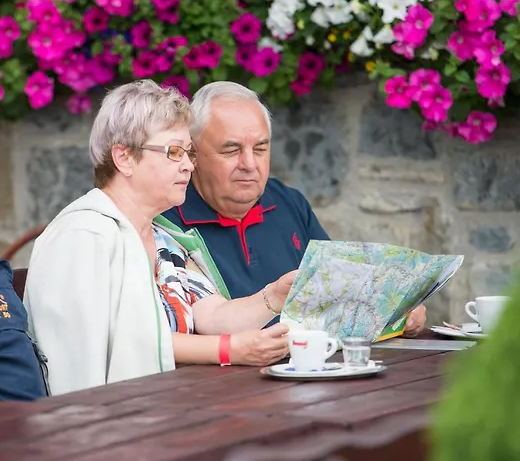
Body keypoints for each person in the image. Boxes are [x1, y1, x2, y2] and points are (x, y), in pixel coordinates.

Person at [23, 80, 299, 396]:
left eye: (189, 153)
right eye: (174, 152)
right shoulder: (82, 236)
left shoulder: (164, 238)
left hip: (169, 406)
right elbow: (110, 342)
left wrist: (273, 297)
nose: (188, 165)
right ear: (124, 158)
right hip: (108, 415)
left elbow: (213, 316)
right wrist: (227, 349)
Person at [161, 81, 427, 336]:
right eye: (231, 151)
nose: (249, 164)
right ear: (192, 154)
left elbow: (342, 291)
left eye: (260, 149)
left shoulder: (288, 202)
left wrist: (396, 310)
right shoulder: (166, 219)